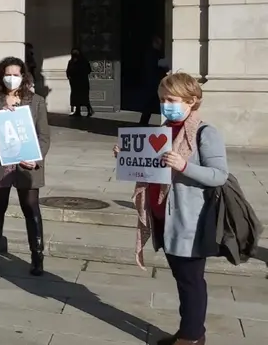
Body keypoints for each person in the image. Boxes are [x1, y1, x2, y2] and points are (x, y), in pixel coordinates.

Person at [115, 72, 227, 345]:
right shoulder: (162, 130)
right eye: (163, 99)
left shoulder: (205, 133)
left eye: (172, 99)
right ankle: (187, 330)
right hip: (162, 217)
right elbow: (149, 167)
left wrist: (184, 165)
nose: (167, 104)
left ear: (192, 101)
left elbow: (219, 175)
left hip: (189, 221)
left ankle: (192, 337)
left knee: (191, 280)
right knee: (181, 278)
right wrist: (126, 156)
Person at [0, 56, 51, 276]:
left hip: (26, 162)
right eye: (8, 74)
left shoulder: (36, 101)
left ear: (23, 77)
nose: (11, 78)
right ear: (1, 76)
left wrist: (37, 158)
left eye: (16, 75)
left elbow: (43, 135)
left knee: (30, 208)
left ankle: (37, 257)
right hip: (0, 162)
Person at [140, 36, 167, 125]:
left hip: (152, 81)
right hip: (154, 82)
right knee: (151, 103)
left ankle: (143, 122)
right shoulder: (153, 54)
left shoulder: (152, 53)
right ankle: (143, 122)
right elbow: (158, 65)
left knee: (150, 103)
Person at [66, 48, 93, 117]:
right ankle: (77, 112)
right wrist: (69, 76)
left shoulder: (84, 61)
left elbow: (88, 70)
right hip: (74, 83)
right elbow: (68, 70)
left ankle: (89, 110)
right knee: (76, 98)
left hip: (82, 82)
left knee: (84, 97)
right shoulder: (71, 62)